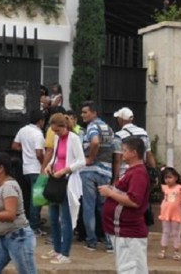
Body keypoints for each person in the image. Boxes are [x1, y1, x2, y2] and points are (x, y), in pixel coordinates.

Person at [100, 136, 151, 274]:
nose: (122, 153)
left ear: (134, 153)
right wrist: (112, 189)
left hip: (128, 233)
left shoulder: (138, 173)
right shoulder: (132, 171)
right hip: (123, 232)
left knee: (129, 269)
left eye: (124, 150)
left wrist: (110, 194)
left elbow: (134, 201)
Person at [40, 113, 86, 264]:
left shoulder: (74, 138)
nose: (56, 134)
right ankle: (57, 249)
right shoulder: (58, 138)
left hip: (67, 182)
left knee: (65, 219)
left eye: (58, 131)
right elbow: (56, 157)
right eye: (54, 131)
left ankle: (65, 253)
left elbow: (81, 161)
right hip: (55, 180)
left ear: (64, 127)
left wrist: (65, 170)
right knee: (53, 217)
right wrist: (49, 166)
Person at [80, 100, 115, 252]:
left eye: (85, 112)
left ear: (94, 113)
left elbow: (94, 142)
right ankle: (109, 242)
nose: (83, 115)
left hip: (90, 171)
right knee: (104, 207)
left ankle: (92, 241)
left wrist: (90, 158)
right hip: (106, 171)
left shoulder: (92, 127)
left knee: (89, 206)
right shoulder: (109, 128)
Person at [11, 110, 45, 234]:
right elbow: (39, 153)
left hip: (26, 169)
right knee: (37, 199)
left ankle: (30, 223)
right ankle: (34, 226)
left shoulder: (23, 130)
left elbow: (14, 146)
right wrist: (44, 164)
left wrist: (25, 148)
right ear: (40, 121)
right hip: (37, 169)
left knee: (30, 198)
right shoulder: (38, 134)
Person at [112, 108, 156, 182]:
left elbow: (118, 159)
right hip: (141, 170)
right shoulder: (143, 132)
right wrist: (154, 173)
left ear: (120, 120)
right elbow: (149, 154)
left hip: (125, 172)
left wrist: (115, 179)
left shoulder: (118, 135)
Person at [158, 166, 181, 261]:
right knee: (165, 232)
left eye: (170, 177)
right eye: (166, 178)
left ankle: (176, 251)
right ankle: (163, 251)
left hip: (176, 214)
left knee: (176, 233)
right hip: (165, 213)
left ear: (176, 178)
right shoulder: (164, 187)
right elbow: (158, 182)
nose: (168, 180)